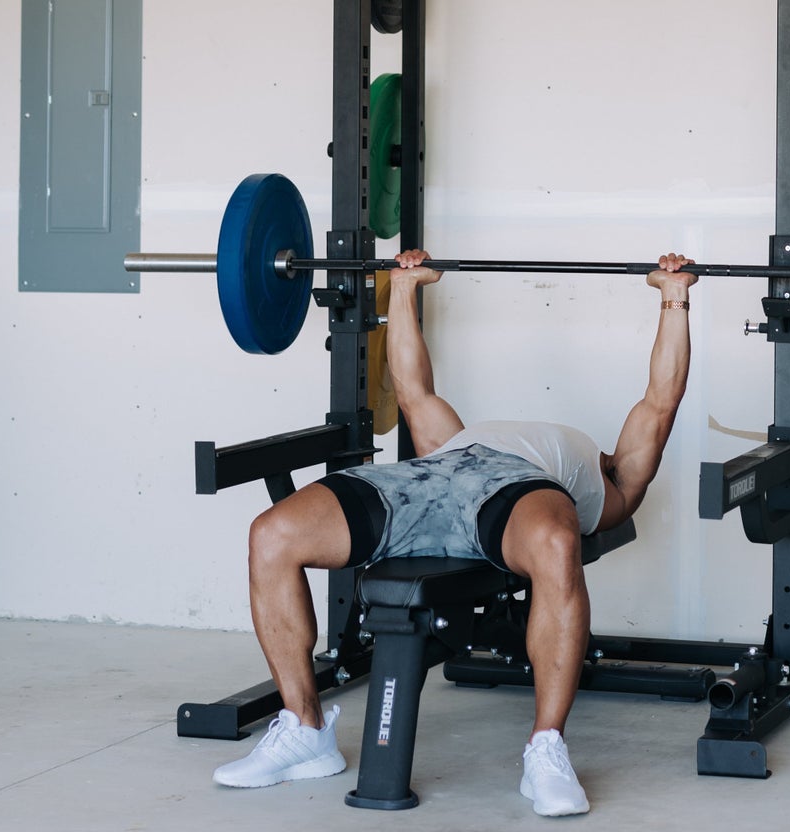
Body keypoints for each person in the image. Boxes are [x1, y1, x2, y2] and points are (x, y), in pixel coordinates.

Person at [213, 248, 698, 816]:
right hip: (430, 475)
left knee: (557, 544)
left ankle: (546, 749)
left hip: (520, 490)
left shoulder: (612, 478)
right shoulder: (451, 437)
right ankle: (304, 729)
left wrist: (674, 297)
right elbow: (412, 389)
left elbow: (659, 403)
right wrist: (405, 286)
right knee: (272, 533)